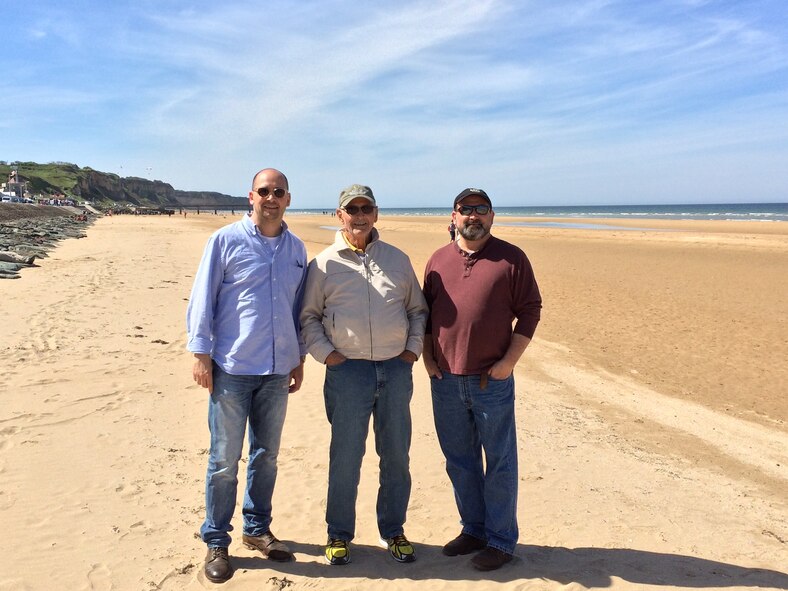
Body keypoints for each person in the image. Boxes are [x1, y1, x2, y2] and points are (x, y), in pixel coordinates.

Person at [186, 168, 307, 583]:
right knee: (223, 461)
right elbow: (202, 298)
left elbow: (296, 310)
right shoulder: (224, 241)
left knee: (266, 457)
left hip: (277, 371)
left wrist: (298, 358)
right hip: (233, 368)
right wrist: (201, 353)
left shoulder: (296, 248)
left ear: (288, 198)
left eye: (279, 192)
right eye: (264, 191)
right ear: (250, 196)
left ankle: (256, 530)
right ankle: (217, 540)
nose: (271, 198)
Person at [300, 184, 428, 566]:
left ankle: (394, 531)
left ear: (376, 213)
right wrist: (328, 356)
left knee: (395, 456)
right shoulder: (323, 264)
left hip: (395, 369)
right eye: (351, 209)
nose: (359, 215)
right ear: (339, 216)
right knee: (345, 457)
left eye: (365, 208)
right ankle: (338, 534)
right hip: (347, 372)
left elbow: (417, 310)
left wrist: (412, 350)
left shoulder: (398, 259)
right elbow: (309, 317)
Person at [422, 187, 542, 571]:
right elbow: (424, 315)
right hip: (445, 381)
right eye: (466, 209)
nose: (473, 216)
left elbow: (530, 311)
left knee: (501, 462)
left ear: (492, 216)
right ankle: (473, 529)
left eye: (481, 209)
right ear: (454, 216)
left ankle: (502, 540)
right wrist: (428, 360)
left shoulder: (512, 259)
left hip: (492, 381)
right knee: (460, 461)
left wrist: (509, 361)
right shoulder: (438, 260)